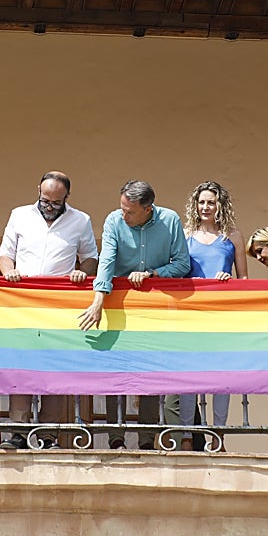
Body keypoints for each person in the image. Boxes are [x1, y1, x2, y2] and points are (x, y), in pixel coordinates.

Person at [79, 179, 191, 449]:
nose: (124, 215)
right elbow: (106, 260)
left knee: (148, 370)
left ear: (148, 209)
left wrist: (153, 273)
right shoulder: (114, 221)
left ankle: (146, 440)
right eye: (122, 208)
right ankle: (115, 437)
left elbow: (182, 263)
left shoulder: (170, 220)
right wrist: (98, 301)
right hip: (118, 302)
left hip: (153, 306)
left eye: (130, 211)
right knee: (114, 368)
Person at [0, 171, 99, 450]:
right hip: (23, 304)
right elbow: (5, 254)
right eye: (45, 200)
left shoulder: (80, 220)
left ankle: (48, 434)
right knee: (22, 367)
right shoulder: (19, 215)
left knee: (53, 369)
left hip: (58, 306)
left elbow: (91, 257)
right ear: (38, 192)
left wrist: (81, 272)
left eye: (56, 202)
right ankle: (18, 432)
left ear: (67, 197)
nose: (49, 206)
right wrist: (9, 272)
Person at [172, 180, 249, 450]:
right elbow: (177, 272)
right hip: (191, 314)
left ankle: (218, 435)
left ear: (220, 206)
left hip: (222, 315)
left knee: (221, 377)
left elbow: (244, 279)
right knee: (189, 375)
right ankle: (186, 435)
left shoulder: (233, 236)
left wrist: (229, 280)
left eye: (211, 202)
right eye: (202, 202)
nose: (206, 207)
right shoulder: (185, 235)